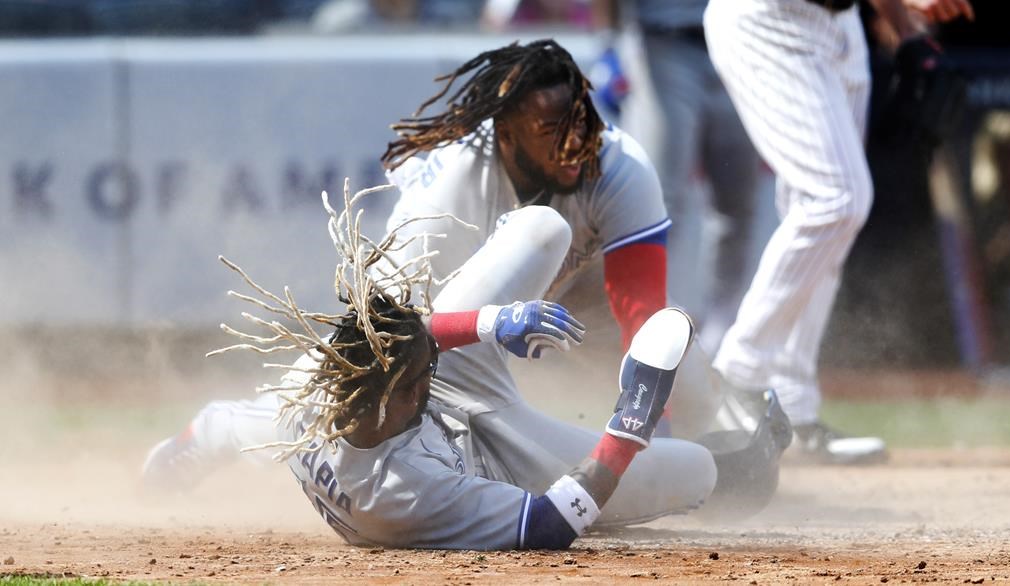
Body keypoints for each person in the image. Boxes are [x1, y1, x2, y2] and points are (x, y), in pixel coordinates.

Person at [144, 39, 791, 521]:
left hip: (563, 306)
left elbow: (641, 312)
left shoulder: (621, 168)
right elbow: (377, 333)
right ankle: (228, 428)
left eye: (579, 123)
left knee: (677, 373)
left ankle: (716, 436)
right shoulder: (453, 182)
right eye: (548, 130)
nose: (574, 144)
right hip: (438, 336)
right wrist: (487, 324)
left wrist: (655, 433)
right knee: (542, 231)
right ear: (505, 134)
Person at [702, 0, 973, 464]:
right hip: (769, 19)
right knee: (835, 200)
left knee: (823, 219)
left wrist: (906, 31)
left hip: (839, 23)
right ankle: (738, 373)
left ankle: (792, 406)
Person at [590, 0, 763, 357]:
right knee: (661, 198)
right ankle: (652, 330)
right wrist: (608, 38)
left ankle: (722, 336)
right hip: (664, 43)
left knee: (738, 201)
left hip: (744, 44)